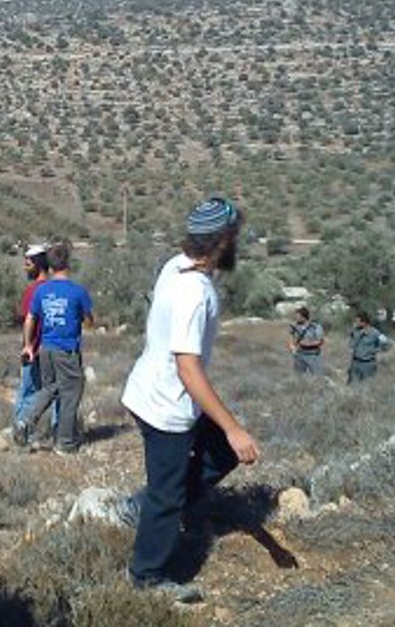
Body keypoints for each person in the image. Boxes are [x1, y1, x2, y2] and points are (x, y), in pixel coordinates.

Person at [121, 196, 259, 600]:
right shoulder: (194, 292)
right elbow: (187, 367)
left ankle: (142, 506)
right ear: (222, 240)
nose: (237, 244)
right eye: (235, 237)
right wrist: (233, 427)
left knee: (220, 452)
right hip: (167, 406)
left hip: (150, 390)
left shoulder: (175, 265)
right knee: (169, 495)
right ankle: (146, 576)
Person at [13, 239, 94, 454]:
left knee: (50, 388)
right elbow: (89, 319)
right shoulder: (77, 291)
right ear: (67, 262)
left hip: (45, 349)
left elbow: (30, 318)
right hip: (67, 349)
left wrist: (29, 345)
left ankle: (26, 420)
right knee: (71, 393)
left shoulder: (41, 291)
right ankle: (65, 443)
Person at [13, 243, 54, 425]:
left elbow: (27, 320)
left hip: (33, 350)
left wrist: (27, 345)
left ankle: (21, 430)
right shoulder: (55, 289)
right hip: (52, 351)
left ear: (37, 265)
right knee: (54, 392)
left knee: (28, 392)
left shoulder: (32, 291)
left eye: (28, 264)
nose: (25, 267)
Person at [347, 311, 392, 384]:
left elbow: (388, 343)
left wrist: (376, 350)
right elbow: (351, 344)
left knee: (367, 385)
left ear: (364, 322)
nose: (355, 323)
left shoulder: (375, 333)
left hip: (368, 364)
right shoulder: (355, 332)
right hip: (356, 363)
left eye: (357, 321)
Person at [287, 306, 324, 375]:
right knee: (299, 377)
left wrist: (307, 344)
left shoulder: (315, 326)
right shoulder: (294, 327)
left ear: (303, 317)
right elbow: (291, 338)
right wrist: (292, 347)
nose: (296, 318)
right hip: (299, 354)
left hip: (313, 355)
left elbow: (320, 341)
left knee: (317, 376)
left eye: (297, 316)